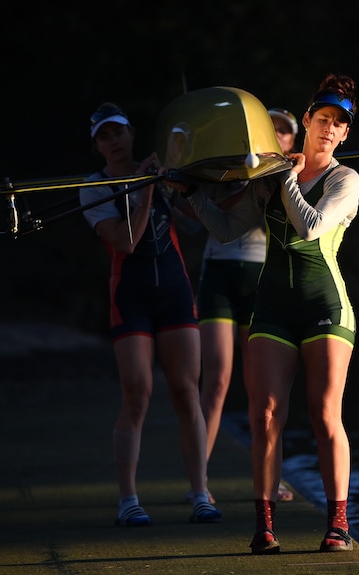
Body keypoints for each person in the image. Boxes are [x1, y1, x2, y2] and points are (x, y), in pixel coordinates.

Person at [165, 73, 359, 554]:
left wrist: (286, 179)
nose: (329, 129)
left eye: (339, 124)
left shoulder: (345, 180)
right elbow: (227, 230)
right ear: (309, 119)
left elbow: (310, 228)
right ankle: (264, 524)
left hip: (325, 306)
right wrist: (190, 193)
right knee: (265, 412)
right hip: (272, 304)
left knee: (322, 414)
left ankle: (337, 523)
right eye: (322, 119)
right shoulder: (273, 176)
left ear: (345, 134)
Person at [79, 102, 222, 527]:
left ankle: (200, 492)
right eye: (105, 136)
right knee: (137, 394)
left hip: (175, 292)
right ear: (97, 146)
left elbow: (201, 223)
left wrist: (180, 182)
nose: (114, 142)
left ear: (131, 133)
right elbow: (125, 241)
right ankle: (129, 500)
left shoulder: (156, 176)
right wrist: (144, 191)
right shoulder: (93, 187)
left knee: (185, 392)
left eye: (118, 132)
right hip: (131, 295)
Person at [194, 107, 300, 505]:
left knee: (263, 389)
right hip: (217, 276)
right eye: (271, 131)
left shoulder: (293, 174)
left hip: (260, 278)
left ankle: (273, 479)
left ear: (291, 141)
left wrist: (283, 176)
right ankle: (198, 481)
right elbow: (202, 219)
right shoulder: (227, 167)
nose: (278, 137)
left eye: (284, 133)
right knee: (218, 379)